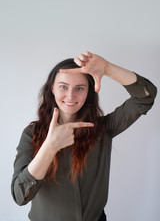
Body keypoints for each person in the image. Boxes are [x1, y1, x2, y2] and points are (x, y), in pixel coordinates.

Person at [11, 51, 157, 221]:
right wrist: (49, 148)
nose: (71, 96)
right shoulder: (32, 134)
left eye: (79, 88)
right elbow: (20, 196)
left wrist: (108, 68)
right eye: (63, 86)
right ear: (52, 88)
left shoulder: (103, 128)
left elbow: (145, 97)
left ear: (89, 92)